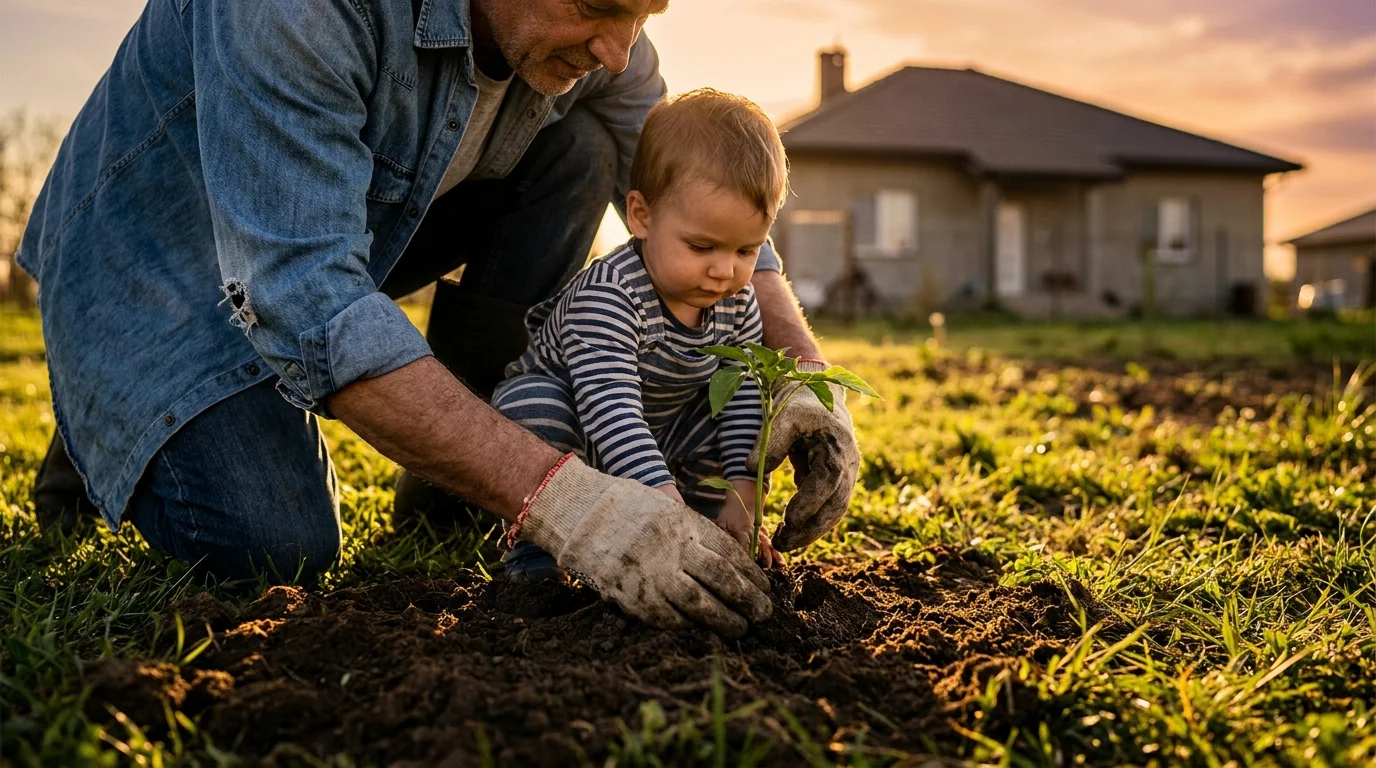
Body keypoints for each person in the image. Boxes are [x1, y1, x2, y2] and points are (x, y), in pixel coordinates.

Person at [18, 0, 859, 637]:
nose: (620, 48)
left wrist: (798, 374)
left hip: (333, 230)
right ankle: (111, 395)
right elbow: (310, 299)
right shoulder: (298, 12)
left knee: (590, 147)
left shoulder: (597, 40)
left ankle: (454, 480)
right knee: (277, 545)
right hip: (153, 273)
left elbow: (700, 183)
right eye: (603, 7)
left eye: (645, 13)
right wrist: (576, 507)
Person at [494, 90, 790, 581]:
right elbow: (609, 406)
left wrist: (741, 494)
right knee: (533, 407)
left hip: (662, 427)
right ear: (642, 216)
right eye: (701, 246)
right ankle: (537, 559)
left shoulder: (736, 301)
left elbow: (739, 397)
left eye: (746, 250)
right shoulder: (611, 294)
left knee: (724, 415)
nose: (724, 270)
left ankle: (708, 535)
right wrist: (660, 508)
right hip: (583, 427)